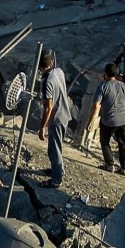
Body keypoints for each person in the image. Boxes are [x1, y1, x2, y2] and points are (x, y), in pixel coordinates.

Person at [86, 62, 125, 175]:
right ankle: (124, 168)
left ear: (105, 74)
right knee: (123, 144)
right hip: (123, 120)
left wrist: (91, 120)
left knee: (104, 141)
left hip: (109, 121)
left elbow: (96, 105)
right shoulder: (123, 85)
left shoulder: (103, 86)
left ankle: (109, 165)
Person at [38, 51, 74, 187]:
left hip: (57, 118)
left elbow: (48, 107)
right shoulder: (58, 71)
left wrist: (42, 127)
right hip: (64, 114)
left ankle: (56, 180)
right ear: (51, 62)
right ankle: (56, 170)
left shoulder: (47, 81)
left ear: (40, 67)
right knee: (55, 148)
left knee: (55, 149)